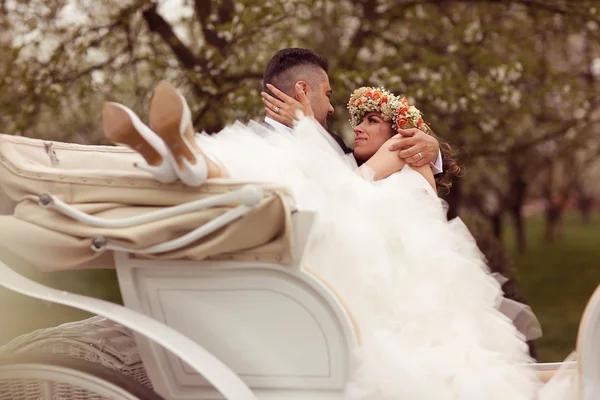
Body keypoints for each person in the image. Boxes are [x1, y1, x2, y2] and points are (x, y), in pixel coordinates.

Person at [101, 80, 541, 399]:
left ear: (400, 131)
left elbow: (346, 186)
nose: (360, 128)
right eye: (358, 120)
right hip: (383, 271)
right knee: (294, 178)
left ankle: (194, 162)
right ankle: (187, 160)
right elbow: (343, 180)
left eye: (372, 121)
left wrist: (312, 132)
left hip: (390, 281)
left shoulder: (402, 152)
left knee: (299, 181)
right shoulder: (378, 159)